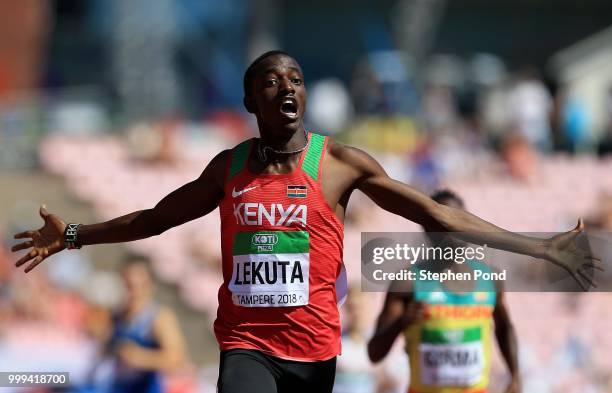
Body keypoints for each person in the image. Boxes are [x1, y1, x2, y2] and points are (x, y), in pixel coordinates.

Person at [11, 51, 601, 393]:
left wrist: (540, 247)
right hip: (246, 343)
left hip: (314, 350)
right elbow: (156, 219)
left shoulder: (339, 165)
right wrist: (72, 236)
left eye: (295, 78)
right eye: (270, 81)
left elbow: (435, 213)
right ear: (250, 102)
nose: (285, 87)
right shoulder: (229, 167)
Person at [368, 190, 520, 393]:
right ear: (427, 229)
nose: (456, 228)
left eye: (461, 219)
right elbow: (374, 353)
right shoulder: (408, 281)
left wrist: (515, 375)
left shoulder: (490, 278)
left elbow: (504, 327)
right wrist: (401, 322)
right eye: (444, 222)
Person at [89, 255, 187, 393]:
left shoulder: (159, 317)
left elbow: (177, 359)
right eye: (128, 284)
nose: (132, 292)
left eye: (138, 285)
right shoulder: (116, 314)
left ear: (151, 286)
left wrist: (141, 357)